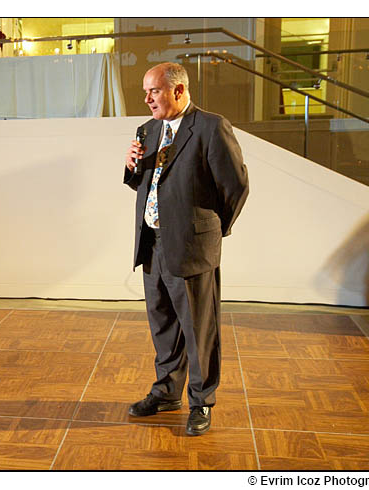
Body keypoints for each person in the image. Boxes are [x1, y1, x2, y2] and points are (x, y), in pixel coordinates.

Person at [124, 62, 249, 435]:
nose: (147, 99)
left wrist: (210, 231)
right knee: (163, 325)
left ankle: (202, 401)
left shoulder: (210, 127)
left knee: (199, 330)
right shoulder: (147, 130)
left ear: (178, 90)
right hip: (153, 245)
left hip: (192, 247)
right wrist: (131, 168)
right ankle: (166, 392)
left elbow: (236, 186)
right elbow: (146, 183)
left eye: (154, 91)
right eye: (146, 92)